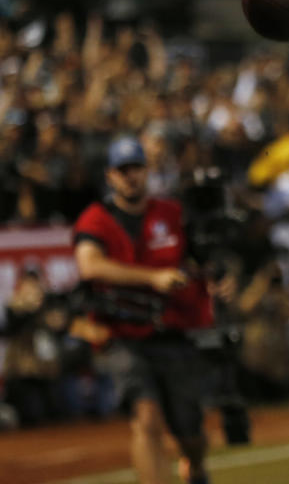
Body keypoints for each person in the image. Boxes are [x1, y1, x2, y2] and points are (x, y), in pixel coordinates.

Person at [73, 136, 215, 484]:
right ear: (110, 176)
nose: (130, 177)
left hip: (174, 330)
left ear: (146, 171)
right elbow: (89, 266)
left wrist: (215, 278)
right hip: (124, 335)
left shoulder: (173, 213)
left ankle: (194, 466)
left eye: (135, 168)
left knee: (190, 430)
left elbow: (202, 260)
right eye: (122, 171)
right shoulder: (95, 219)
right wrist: (153, 277)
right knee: (146, 417)